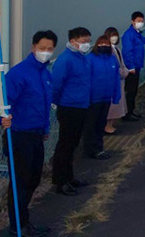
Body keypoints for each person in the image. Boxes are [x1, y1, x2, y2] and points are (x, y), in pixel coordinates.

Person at [0, 30, 57, 237]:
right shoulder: (19, 73)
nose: (46, 52)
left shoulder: (44, 73)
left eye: (50, 49)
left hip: (36, 134)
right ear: (33, 47)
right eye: (42, 48)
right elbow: (3, 102)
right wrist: (1, 119)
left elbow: (43, 104)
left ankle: (24, 221)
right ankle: (16, 227)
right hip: (18, 134)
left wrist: (45, 129)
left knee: (33, 180)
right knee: (20, 182)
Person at [51, 27, 92, 196]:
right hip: (69, 107)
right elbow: (56, 84)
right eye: (83, 41)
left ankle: (69, 176)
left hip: (81, 105)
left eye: (88, 41)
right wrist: (57, 102)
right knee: (65, 145)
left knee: (73, 144)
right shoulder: (65, 59)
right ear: (73, 41)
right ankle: (61, 181)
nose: (87, 45)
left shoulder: (82, 58)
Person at [83, 35, 121, 160]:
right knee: (91, 125)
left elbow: (116, 78)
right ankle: (90, 149)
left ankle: (99, 148)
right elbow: (86, 80)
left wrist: (116, 96)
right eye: (101, 43)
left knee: (101, 124)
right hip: (93, 98)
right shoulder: (90, 59)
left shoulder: (112, 59)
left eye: (106, 44)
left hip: (106, 98)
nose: (104, 46)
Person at [122, 11, 145, 121]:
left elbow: (140, 41)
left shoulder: (136, 33)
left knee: (134, 90)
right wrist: (130, 67)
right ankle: (127, 113)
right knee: (130, 90)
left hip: (137, 65)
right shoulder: (129, 34)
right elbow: (127, 52)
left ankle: (131, 111)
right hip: (132, 67)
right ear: (132, 21)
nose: (140, 23)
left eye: (141, 21)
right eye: (138, 21)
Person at [103, 27, 129, 134]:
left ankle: (110, 124)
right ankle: (107, 126)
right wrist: (124, 72)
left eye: (115, 35)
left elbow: (121, 63)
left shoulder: (117, 49)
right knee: (112, 106)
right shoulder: (108, 51)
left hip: (119, 80)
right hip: (113, 81)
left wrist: (125, 71)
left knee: (117, 104)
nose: (114, 38)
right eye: (111, 36)